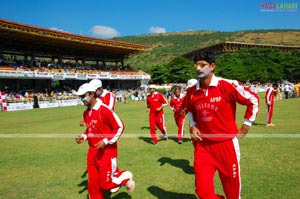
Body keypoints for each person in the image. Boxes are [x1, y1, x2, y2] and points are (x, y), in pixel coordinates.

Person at [185, 51, 260, 199]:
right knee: (203, 193)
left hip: (226, 145)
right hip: (203, 147)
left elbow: (253, 99)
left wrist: (246, 125)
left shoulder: (227, 85)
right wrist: (193, 125)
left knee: (232, 194)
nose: (198, 68)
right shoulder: (191, 92)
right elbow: (191, 111)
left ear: (212, 66)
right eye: (196, 65)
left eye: (203, 65)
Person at [74, 82, 135, 199]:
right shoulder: (86, 113)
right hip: (92, 152)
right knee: (92, 185)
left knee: (106, 184)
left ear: (92, 94)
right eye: (80, 97)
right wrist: (84, 136)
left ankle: (125, 177)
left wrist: (106, 141)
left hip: (106, 152)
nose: (82, 99)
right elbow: (90, 129)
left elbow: (120, 127)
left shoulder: (104, 110)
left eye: (83, 96)